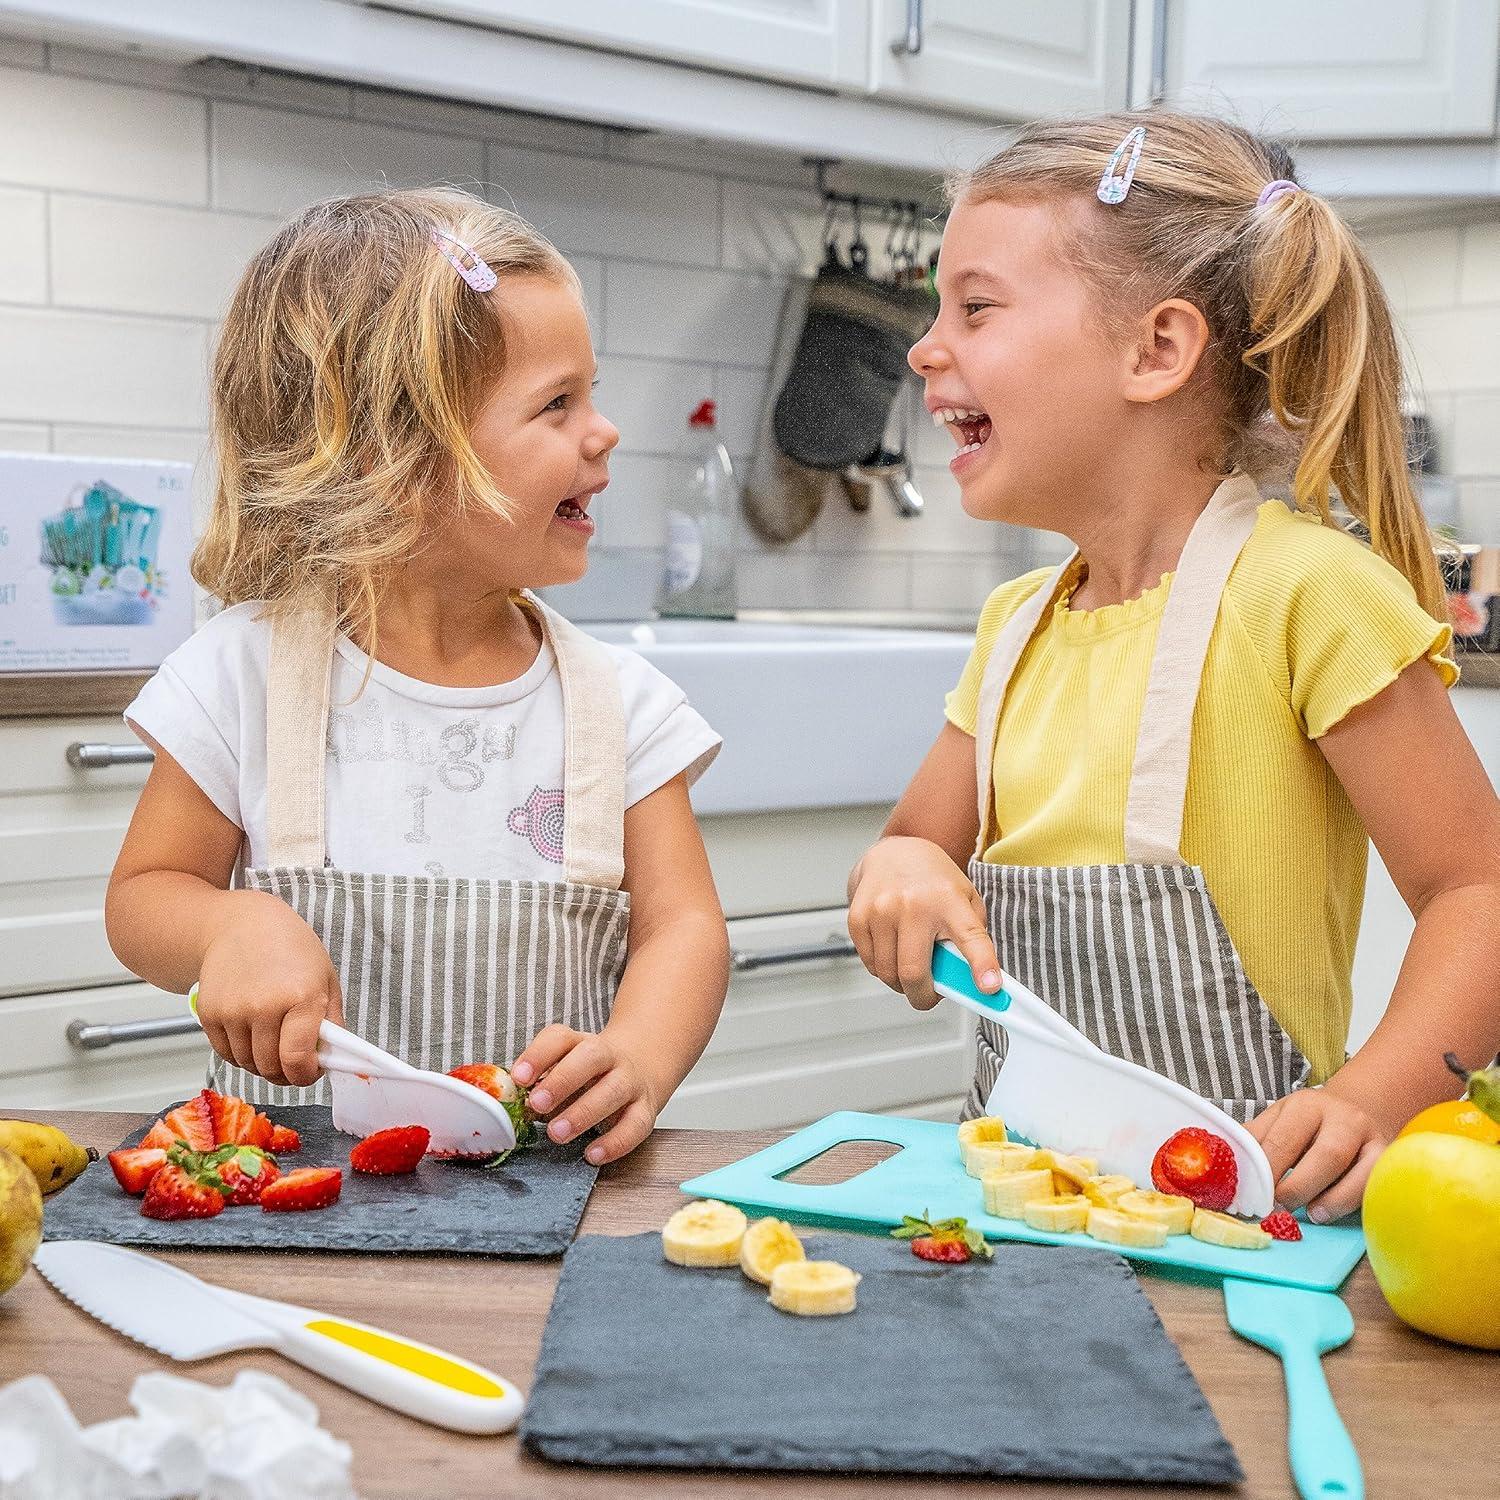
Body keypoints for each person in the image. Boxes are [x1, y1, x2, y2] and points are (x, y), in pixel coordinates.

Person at [847, 111, 1500, 1221]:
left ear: (1157, 350)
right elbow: (912, 842)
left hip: (1250, 1220)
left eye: (976, 307)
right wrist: (901, 873)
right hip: (1020, 1213)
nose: (924, 345)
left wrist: (1377, 1100)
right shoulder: (1014, 629)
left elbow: (1476, 890)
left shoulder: (1305, 595)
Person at [107, 188, 729, 1166]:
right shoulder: (243, 675)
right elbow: (145, 896)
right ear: (398, 460)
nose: (604, 431)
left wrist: (638, 1055)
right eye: (558, 403)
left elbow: (684, 927)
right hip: (289, 1193)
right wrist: (230, 924)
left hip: (547, 1193)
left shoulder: (621, 706)